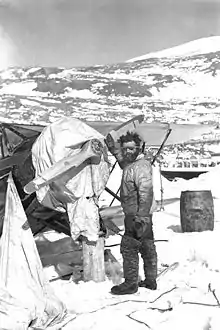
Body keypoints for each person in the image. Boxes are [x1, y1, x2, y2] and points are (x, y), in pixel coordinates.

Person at [111, 131, 157, 295]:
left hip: (138, 214)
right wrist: (112, 147)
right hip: (140, 214)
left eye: (131, 148)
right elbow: (123, 161)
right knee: (146, 245)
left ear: (138, 148)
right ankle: (151, 281)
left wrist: (141, 217)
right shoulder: (132, 164)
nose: (127, 152)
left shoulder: (140, 167)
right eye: (124, 149)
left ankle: (130, 284)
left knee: (129, 248)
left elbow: (145, 192)